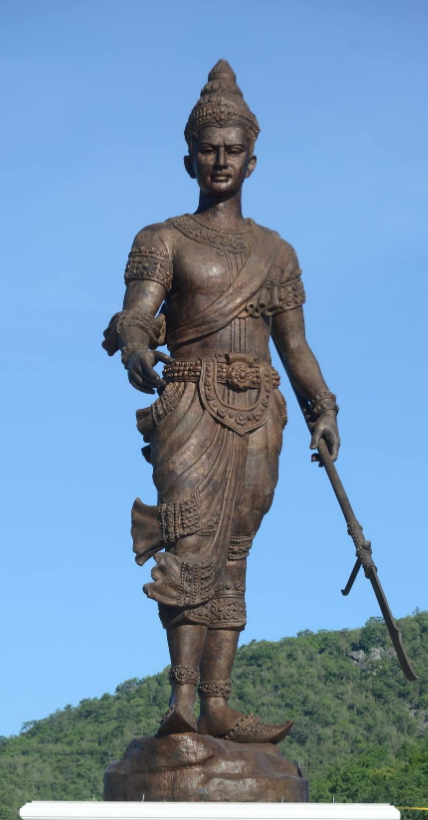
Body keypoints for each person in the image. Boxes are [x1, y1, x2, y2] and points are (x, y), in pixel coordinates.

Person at [103, 61, 339, 743]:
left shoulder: (276, 253)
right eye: (209, 150)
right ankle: (181, 696)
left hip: (258, 411)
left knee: (234, 549)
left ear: (252, 161)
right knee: (190, 538)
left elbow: (294, 346)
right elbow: (137, 313)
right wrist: (136, 344)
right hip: (190, 403)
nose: (221, 160)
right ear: (189, 159)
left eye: (233, 150)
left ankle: (219, 702)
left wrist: (323, 407)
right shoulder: (163, 239)